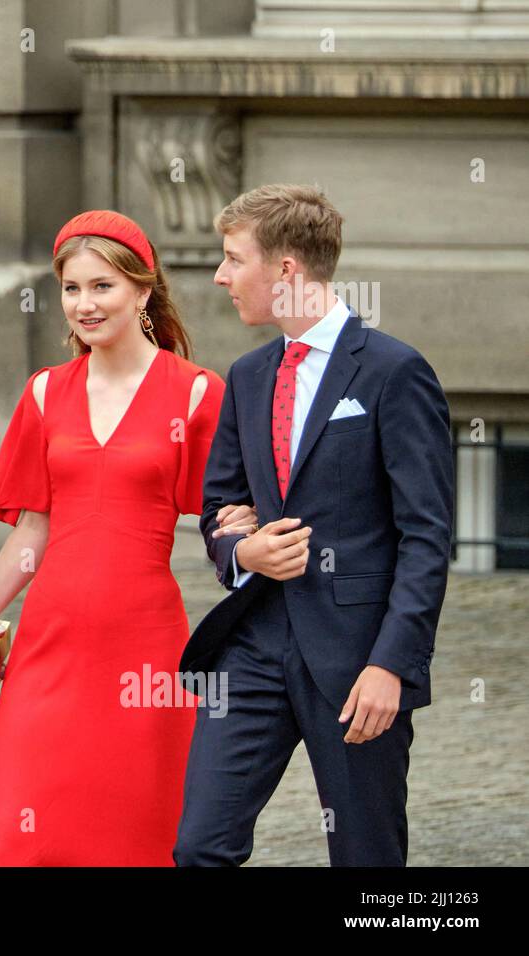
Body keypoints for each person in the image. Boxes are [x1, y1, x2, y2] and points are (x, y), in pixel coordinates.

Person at [0, 210, 259, 865]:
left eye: (102, 287)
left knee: (134, 836)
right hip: (48, 643)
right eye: (72, 288)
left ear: (142, 290)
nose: (84, 304)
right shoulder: (46, 392)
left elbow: (227, 518)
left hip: (145, 650)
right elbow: (33, 527)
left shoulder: (195, 396)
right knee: (12, 839)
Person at [174, 184, 454, 866]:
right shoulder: (246, 376)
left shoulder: (394, 371)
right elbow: (219, 510)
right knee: (198, 847)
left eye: (234, 259)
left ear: (287, 271)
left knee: (366, 859)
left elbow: (426, 536)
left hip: (358, 659)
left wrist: (392, 664)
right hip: (254, 648)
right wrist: (243, 549)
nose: (220, 275)